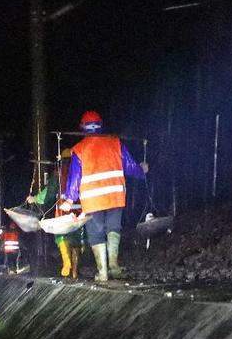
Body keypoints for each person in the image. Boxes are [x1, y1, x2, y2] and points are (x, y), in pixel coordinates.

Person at [59, 110, 148, 281]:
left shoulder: (79, 149)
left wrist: (70, 199)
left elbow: (75, 176)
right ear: (100, 126)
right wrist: (141, 171)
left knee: (96, 233)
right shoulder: (115, 143)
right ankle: (114, 266)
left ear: (83, 128)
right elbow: (130, 166)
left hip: (93, 200)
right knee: (113, 228)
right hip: (115, 196)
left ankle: (103, 272)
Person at [27, 149, 86, 279]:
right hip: (78, 212)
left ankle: (67, 263)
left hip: (62, 211)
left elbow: (48, 193)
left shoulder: (58, 174)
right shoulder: (81, 173)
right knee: (76, 241)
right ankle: (75, 271)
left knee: (61, 237)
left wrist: (35, 199)